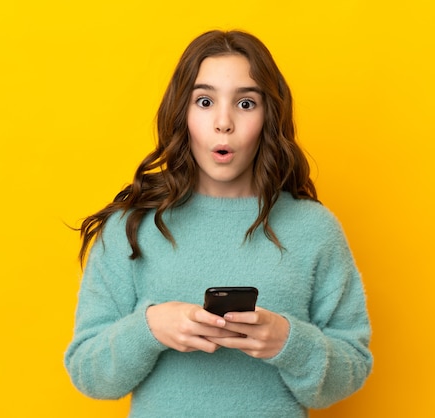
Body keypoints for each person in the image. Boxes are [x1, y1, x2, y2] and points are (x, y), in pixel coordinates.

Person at [65, 30, 372, 417]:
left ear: (268, 117)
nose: (223, 122)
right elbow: (87, 373)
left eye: (245, 103)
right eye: (205, 101)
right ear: (183, 114)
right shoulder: (132, 226)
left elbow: (353, 366)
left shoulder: (314, 229)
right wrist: (150, 328)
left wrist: (288, 342)